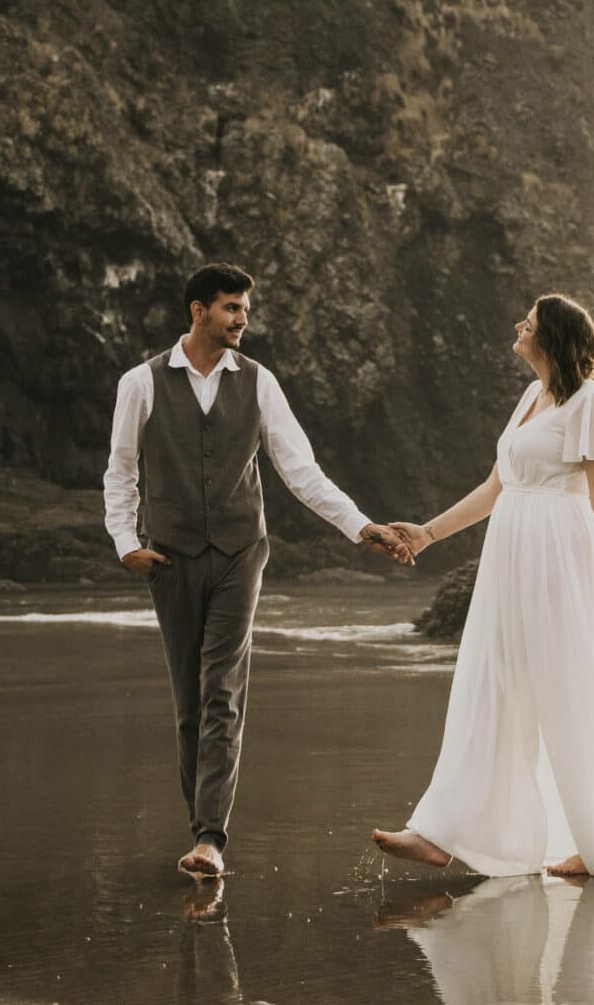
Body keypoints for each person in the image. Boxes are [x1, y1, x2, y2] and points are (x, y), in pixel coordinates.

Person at [104, 262, 409, 877]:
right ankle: (201, 828)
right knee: (189, 701)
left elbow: (300, 470)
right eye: (231, 308)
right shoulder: (140, 382)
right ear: (198, 311)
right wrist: (122, 542)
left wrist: (360, 525)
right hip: (169, 557)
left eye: (245, 308)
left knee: (222, 691)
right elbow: (121, 469)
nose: (243, 319)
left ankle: (211, 838)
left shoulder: (260, 383)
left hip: (242, 552)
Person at [372, 294, 594, 881]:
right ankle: (444, 833)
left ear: (553, 340)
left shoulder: (590, 403)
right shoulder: (529, 398)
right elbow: (496, 488)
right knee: (491, 684)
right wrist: (427, 534)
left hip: (560, 559)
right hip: (509, 556)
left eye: (530, 324)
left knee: (570, 692)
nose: (518, 326)